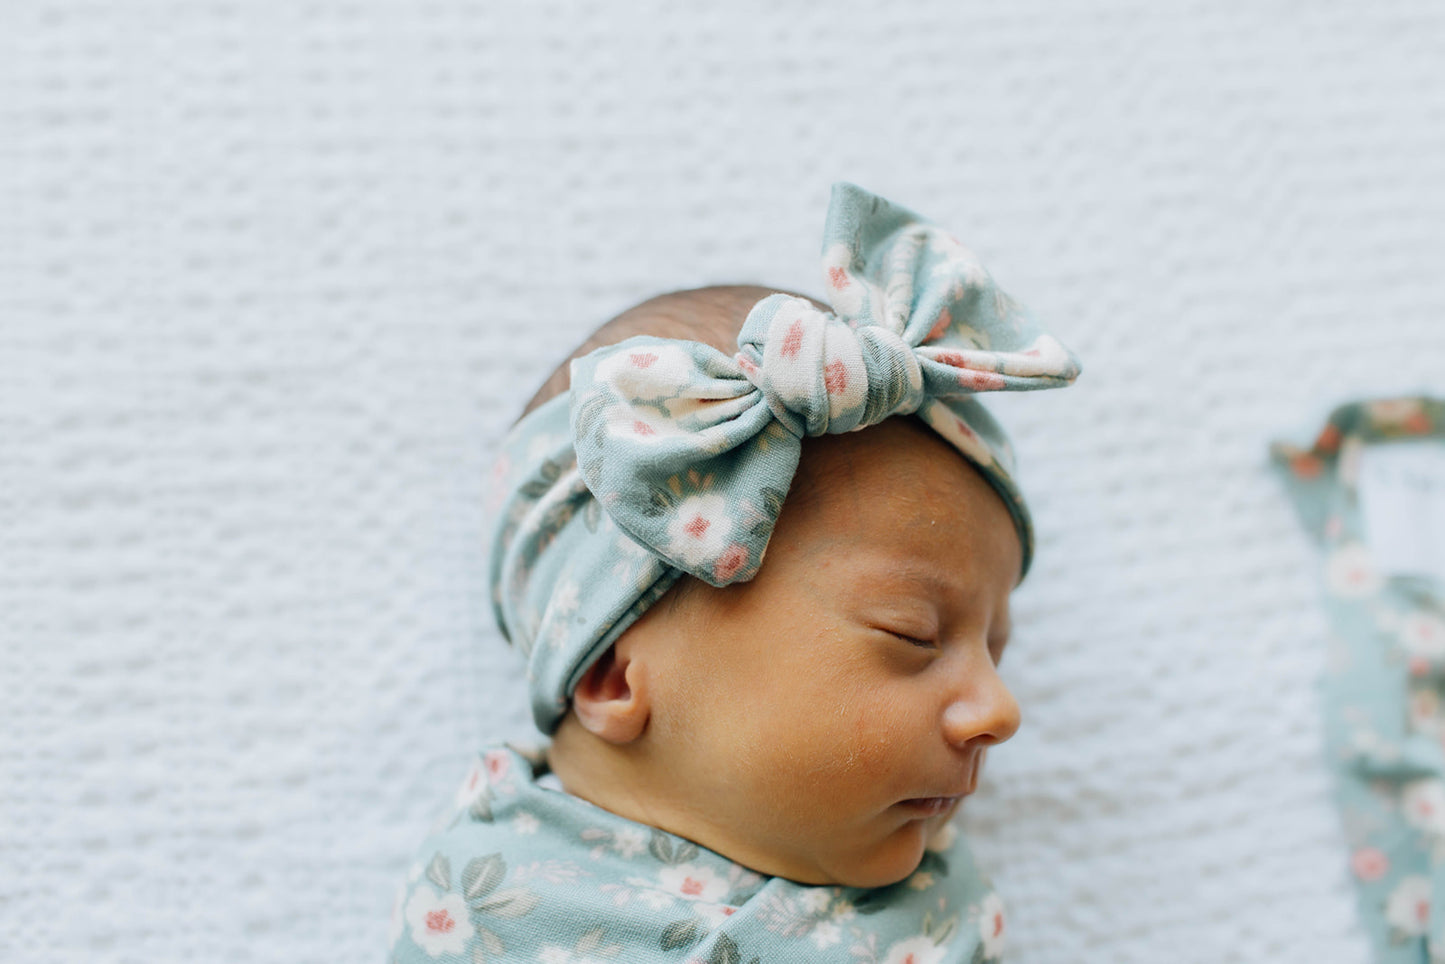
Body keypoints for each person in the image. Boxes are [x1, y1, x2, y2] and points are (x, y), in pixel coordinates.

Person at [388, 183, 1081, 963]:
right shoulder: (493, 901)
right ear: (613, 675)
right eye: (912, 635)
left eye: (995, 650)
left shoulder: (938, 910)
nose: (998, 708)